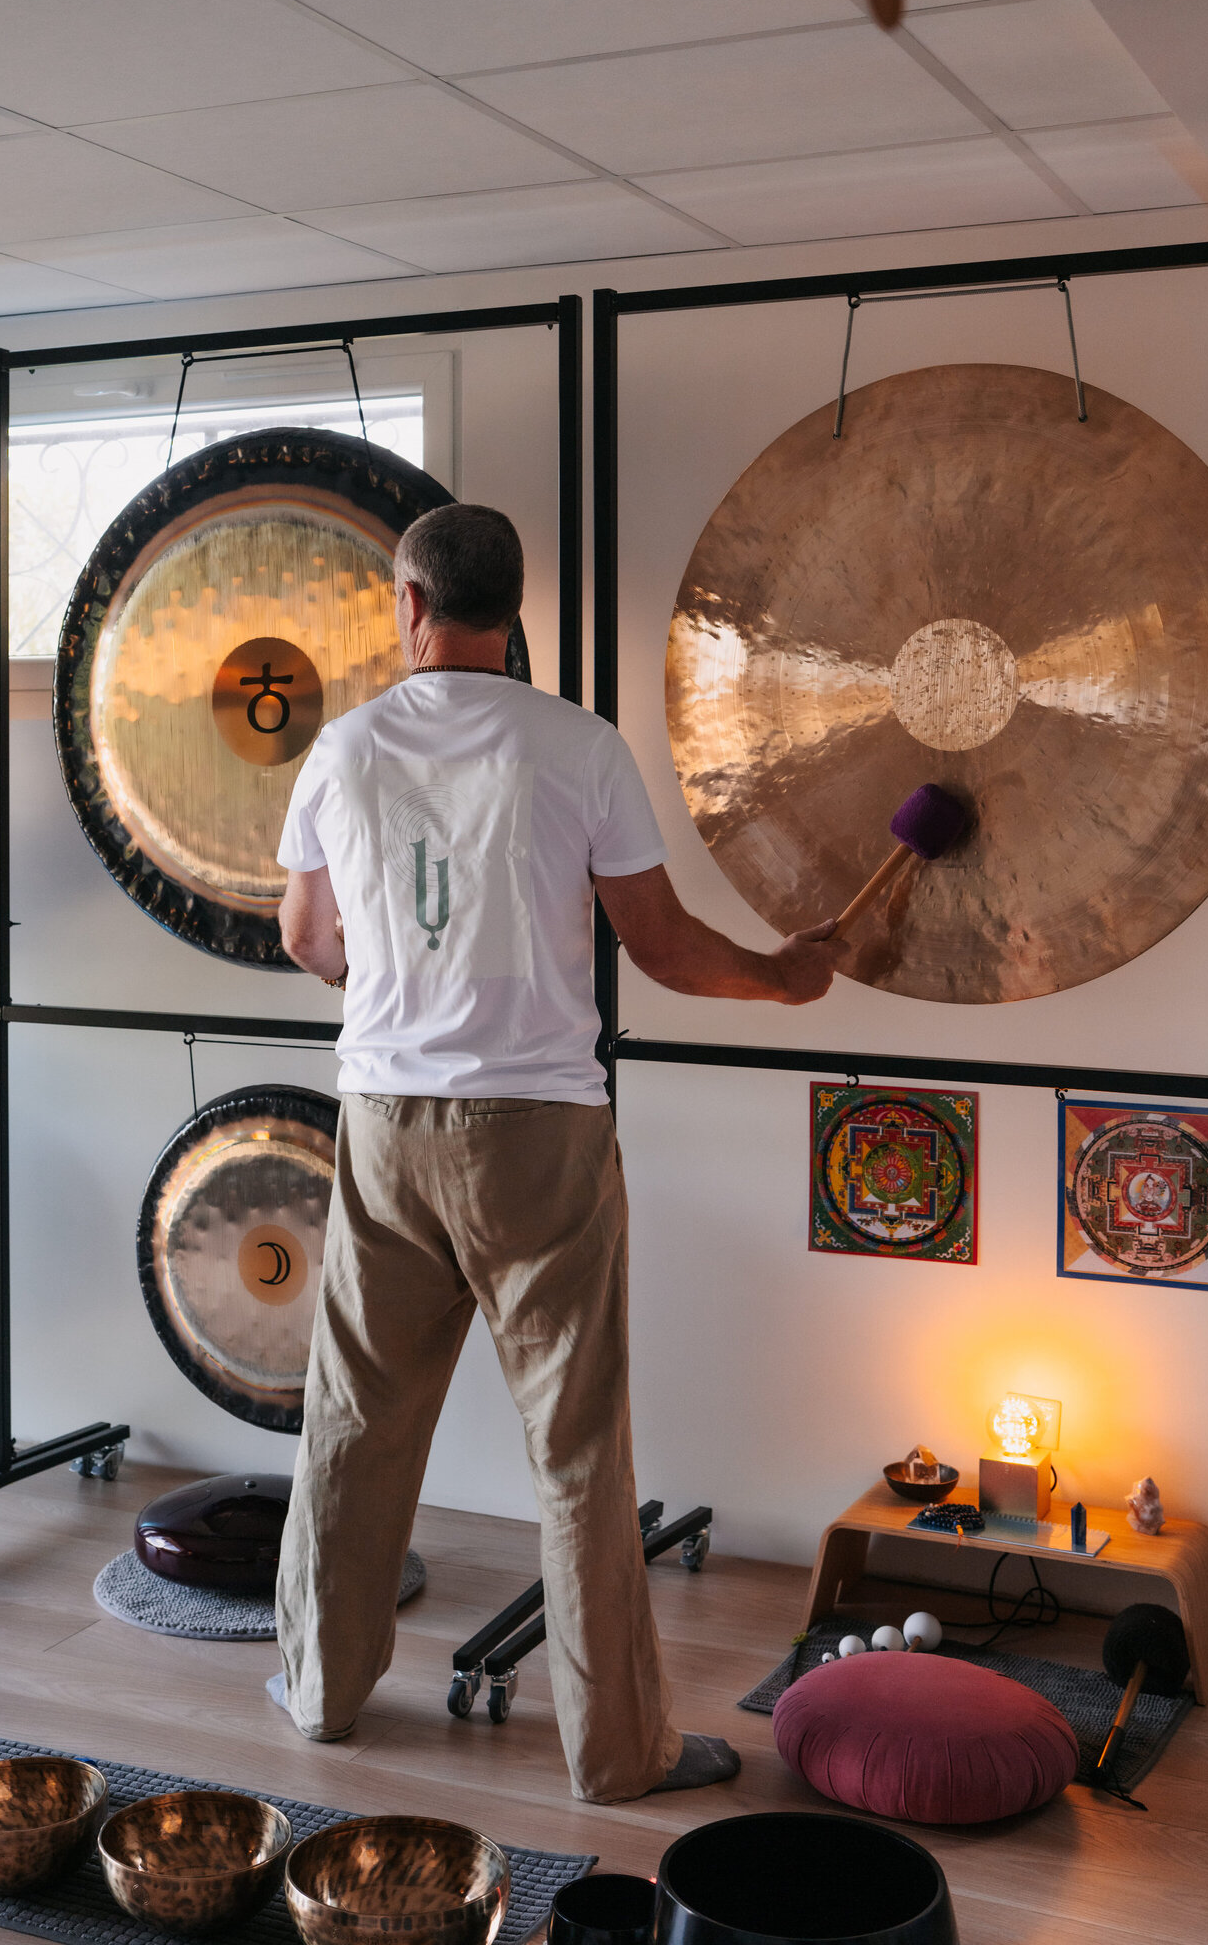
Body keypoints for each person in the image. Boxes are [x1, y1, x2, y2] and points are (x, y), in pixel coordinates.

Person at [268, 502, 845, 1804]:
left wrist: (404, 981)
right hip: (541, 1136)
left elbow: (311, 941)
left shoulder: (342, 754)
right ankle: (616, 1753)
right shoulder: (579, 747)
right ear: (513, 610)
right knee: (578, 1451)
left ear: (410, 605)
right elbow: (661, 946)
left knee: (355, 1422)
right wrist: (781, 980)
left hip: (386, 1125)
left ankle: (321, 1693)